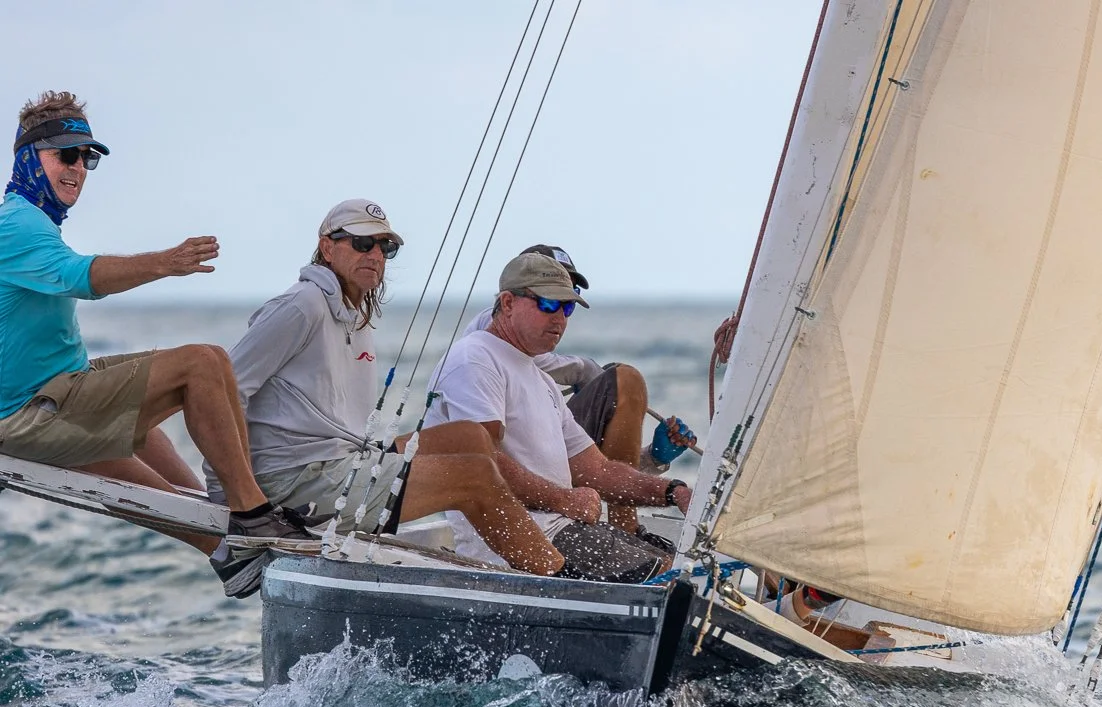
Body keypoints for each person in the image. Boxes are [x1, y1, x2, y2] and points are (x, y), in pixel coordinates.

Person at [0, 90, 312, 592]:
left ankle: (226, 537)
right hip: (30, 415)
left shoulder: (34, 222)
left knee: (145, 426)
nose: (79, 168)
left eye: (87, 158)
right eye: (66, 155)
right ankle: (252, 512)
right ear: (29, 159)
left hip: (51, 393)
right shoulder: (17, 225)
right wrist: (165, 262)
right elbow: (79, 276)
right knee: (203, 364)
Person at [208, 200, 567, 594]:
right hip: (296, 480)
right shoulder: (303, 305)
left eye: (385, 247)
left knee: (471, 437)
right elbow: (221, 391)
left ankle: (517, 552)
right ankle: (557, 586)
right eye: (363, 244)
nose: (376, 255)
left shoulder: (355, 314)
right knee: (473, 476)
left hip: (340, 460)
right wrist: (238, 500)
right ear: (328, 248)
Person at [428, 252, 693, 583]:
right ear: (507, 303)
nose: (560, 319)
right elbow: (482, 462)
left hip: (566, 528)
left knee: (687, 573)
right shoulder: (475, 359)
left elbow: (597, 470)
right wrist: (564, 499)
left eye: (567, 308)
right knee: (676, 583)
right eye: (548, 305)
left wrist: (673, 491)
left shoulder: (542, 381)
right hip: (522, 545)